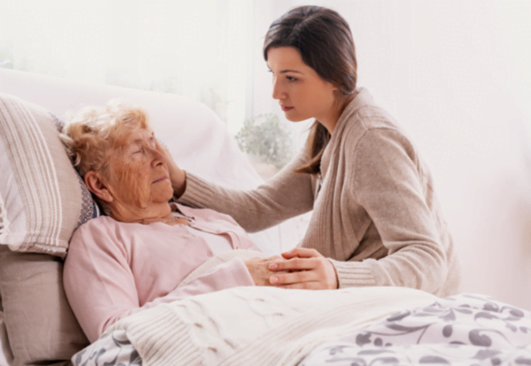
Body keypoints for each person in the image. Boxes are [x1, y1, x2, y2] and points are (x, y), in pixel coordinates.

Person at [164, 6, 461, 295]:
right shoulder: (327, 132)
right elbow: (259, 209)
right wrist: (179, 181)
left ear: (334, 76)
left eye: (291, 78)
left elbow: (428, 260)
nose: (276, 92)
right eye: (273, 73)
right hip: (364, 304)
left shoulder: (372, 140)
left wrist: (336, 275)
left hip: (414, 310)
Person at [61, 100, 283, 343]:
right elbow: (114, 337)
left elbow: (275, 278)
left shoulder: (214, 218)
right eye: (137, 151)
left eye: (154, 143)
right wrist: (233, 279)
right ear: (100, 185)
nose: (161, 158)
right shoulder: (102, 238)